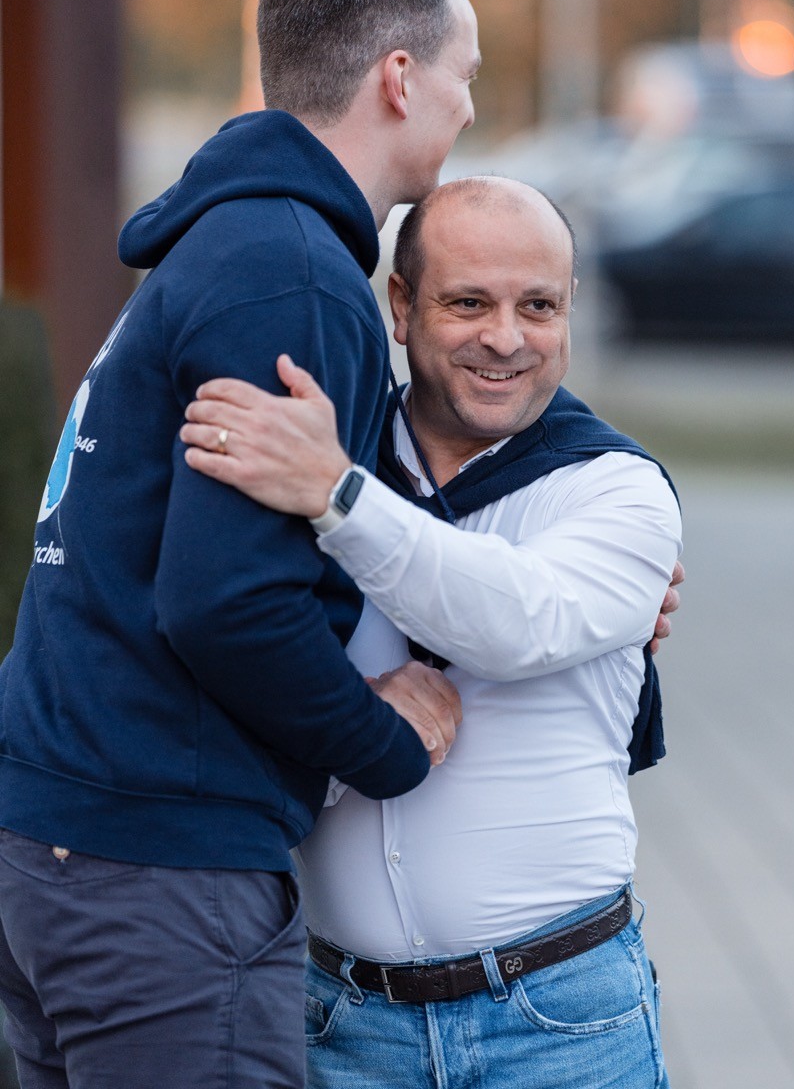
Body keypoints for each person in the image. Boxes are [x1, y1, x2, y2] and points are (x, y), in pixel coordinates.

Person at [0, 0, 481, 1089]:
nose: (470, 107)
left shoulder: (229, 243)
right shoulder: (291, 273)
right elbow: (223, 600)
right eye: (464, 75)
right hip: (157, 870)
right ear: (398, 77)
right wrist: (385, 742)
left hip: (72, 844)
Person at [180, 175, 684, 1089]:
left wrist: (338, 500)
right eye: (468, 303)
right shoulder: (315, 454)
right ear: (402, 306)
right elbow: (227, 670)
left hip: (560, 1028)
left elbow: (514, 620)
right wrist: (348, 714)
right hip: (340, 1026)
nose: (506, 338)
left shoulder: (614, 489)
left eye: (538, 306)